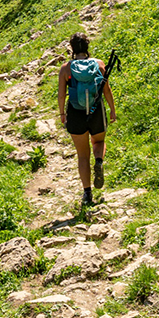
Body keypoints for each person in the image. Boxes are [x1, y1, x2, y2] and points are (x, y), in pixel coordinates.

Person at [58, 31, 116, 206]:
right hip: (96, 110)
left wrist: (62, 114)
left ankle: (87, 194)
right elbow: (106, 90)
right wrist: (112, 110)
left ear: (72, 48)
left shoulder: (66, 68)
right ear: (87, 46)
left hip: (76, 113)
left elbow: (61, 95)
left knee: (82, 155)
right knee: (98, 143)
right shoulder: (99, 64)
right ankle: (99, 161)